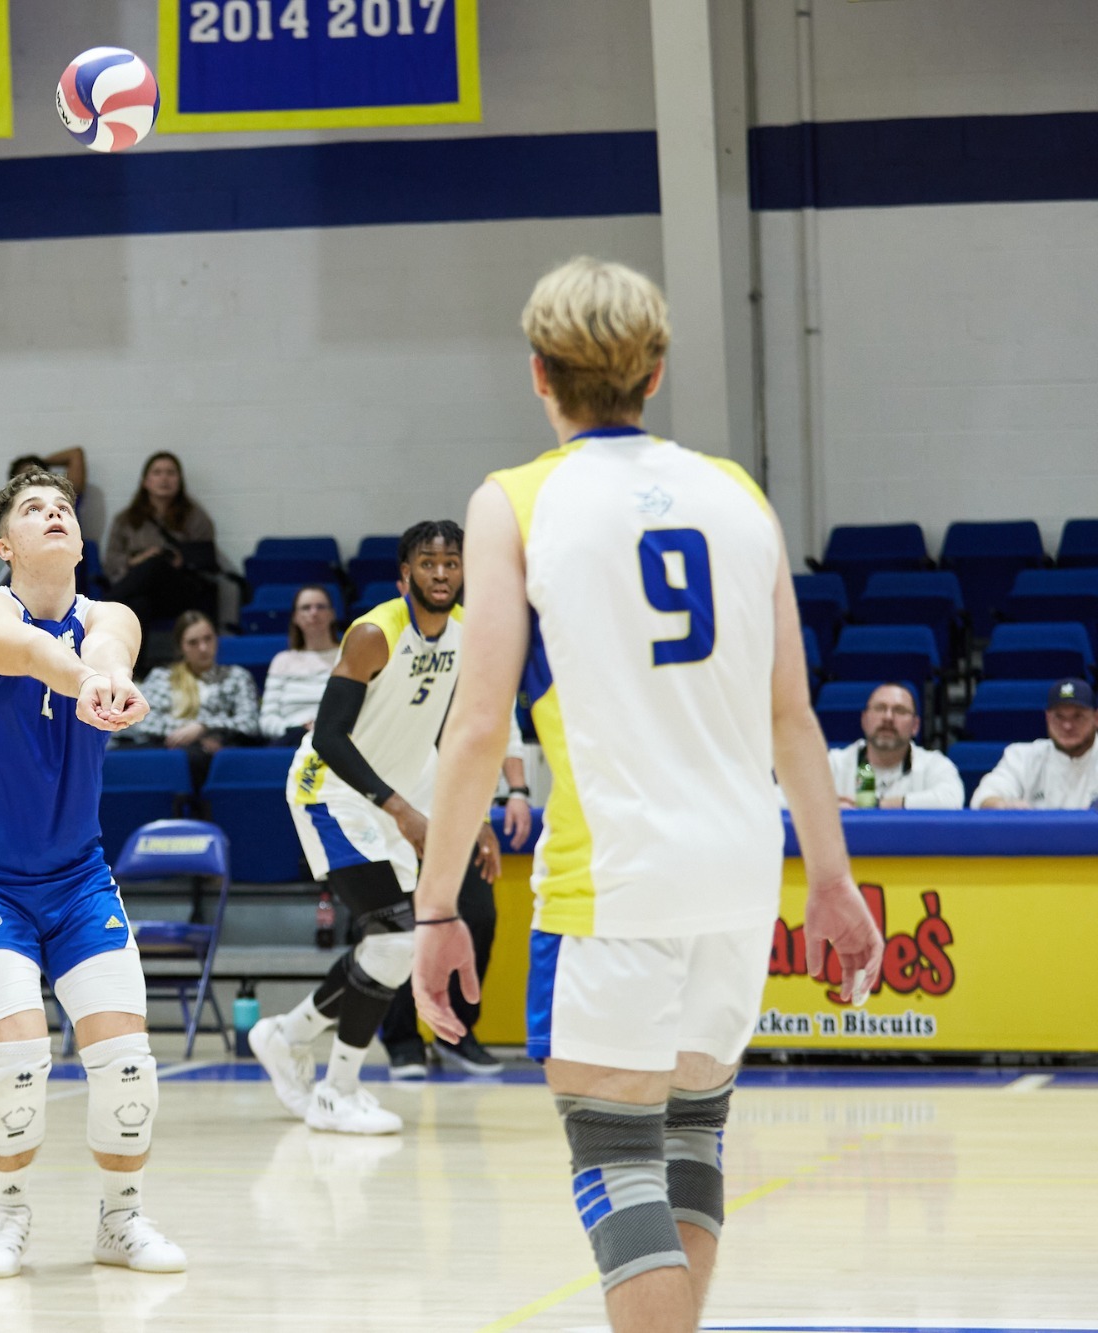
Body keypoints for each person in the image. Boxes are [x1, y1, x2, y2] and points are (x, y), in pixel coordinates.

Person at [409, 257, 879, 1332]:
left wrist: (435, 908)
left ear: (537, 373)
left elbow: (477, 724)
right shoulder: (736, 495)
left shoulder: (513, 501)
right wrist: (834, 883)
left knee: (615, 1159)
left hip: (611, 879)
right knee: (689, 1141)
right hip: (736, 873)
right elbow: (791, 717)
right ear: (654, 370)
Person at [0, 467, 185, 1280]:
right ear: (5, 544)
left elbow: (109, 643)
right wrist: (86, 681)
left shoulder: (111, 616)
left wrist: (109, 675)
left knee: (126, 1065)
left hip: (78, 879)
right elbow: (30, 653)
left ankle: (121, 1221)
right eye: (33, 509)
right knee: (17, 1059)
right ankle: (6, 1216)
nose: (54, 515)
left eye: (65, 509)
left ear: (80, 541)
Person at [249, 522, 530, 1135]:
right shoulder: (377, 633)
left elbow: (454, 736)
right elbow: (327, 737)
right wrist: (400, 808)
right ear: (405, 575)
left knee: (392, 946)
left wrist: (477, 809)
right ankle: (336, 1090)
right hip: (332, 792)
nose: (440, 574)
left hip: (401, 786)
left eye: (451, 564)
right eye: (427, 564)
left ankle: (287, 1035)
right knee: (397, 938)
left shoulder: (464, 637)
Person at [132, 610, 260, 788]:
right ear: (180, 646)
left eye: (208, 639)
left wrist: (203, 726)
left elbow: (250, 722)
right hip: (168, 749)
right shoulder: (162, 677)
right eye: (193, 642)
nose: (203, 648)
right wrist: (192, 735)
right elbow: (144, 721)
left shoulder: (236, 676)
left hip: (217, 754)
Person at [102, 452, 217, 629]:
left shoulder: (195, 517)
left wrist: (182, 560)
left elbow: (206, 558)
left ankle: (104, 607)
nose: (164, 478)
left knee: (156, 563)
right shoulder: (126, 520)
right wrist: (136, 560)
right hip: (139, 591)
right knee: (139, 604)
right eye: (157, 473)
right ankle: (136, 657)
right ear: (145, 482)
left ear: (179, 481)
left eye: (171, 473)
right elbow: (110, 561)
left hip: (179, 591)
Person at [823, 683, 963, 810]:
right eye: (880, 708)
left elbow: (952, 800)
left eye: (900, 710)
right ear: (864, 720)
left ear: (915, 726)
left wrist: (878, 805)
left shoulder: (935, 765)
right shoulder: (833, 764)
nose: (888, 717)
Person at [972, 677, 1098, 809]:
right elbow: (985, 796)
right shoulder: (1023, 756)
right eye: (1059, 717)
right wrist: (1003, 805)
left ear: (1096, 718)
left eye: (1078, 716)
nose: (1067, 726)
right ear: (1047, 718)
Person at [0, 449, 88, 561]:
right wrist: (6, 503)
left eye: (37, 475)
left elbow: (75, 454)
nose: (32, 480)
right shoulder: (15, 523)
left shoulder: (64, 502)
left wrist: (39, 462)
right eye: (25, 478)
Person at [259, 584, 342, 744]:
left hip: (338, 738)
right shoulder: (282, 660)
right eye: (306, 608)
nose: (314, 612)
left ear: (332, 614)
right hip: (291, 739)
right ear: (295, 617)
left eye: (320, 607)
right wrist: (297, 728)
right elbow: (267, 720)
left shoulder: (348, 655)